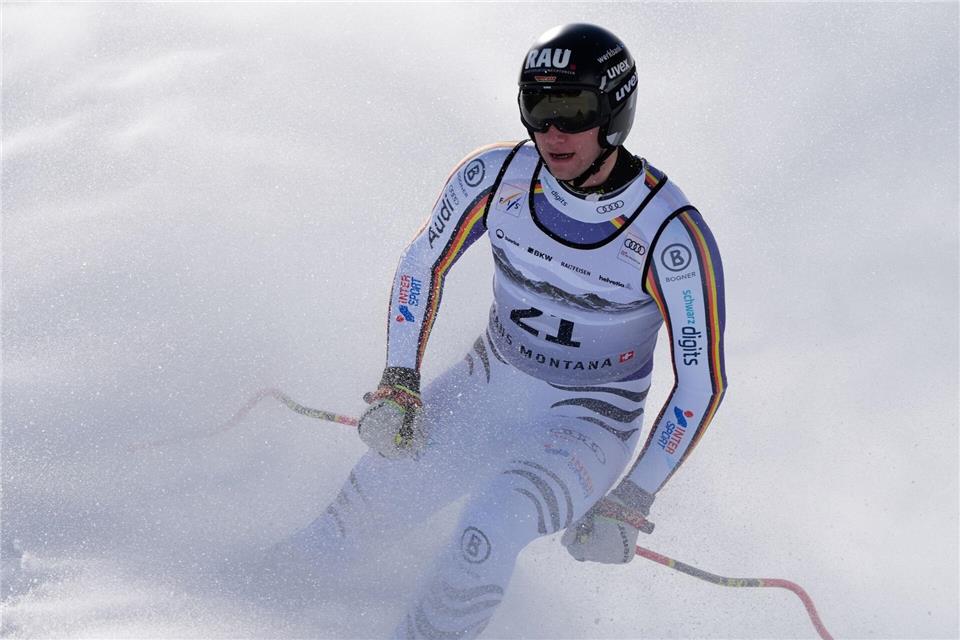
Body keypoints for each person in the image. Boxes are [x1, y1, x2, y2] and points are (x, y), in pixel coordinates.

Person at [274, 22, 727, 639]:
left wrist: (633, 499)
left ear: (615, 111)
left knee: (486, 531)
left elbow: (700, 382)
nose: (552, 132)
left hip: (587, 424)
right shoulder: (496, 177)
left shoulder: (669, 234)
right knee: (354, 517)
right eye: (537, 108)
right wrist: (399, 382)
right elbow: (421, 264)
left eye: (573, 110)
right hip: (484, 390)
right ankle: (231, 611)